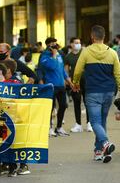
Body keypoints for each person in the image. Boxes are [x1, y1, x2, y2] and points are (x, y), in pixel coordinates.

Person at [73, 25, 120, 163]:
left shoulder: (86, 52)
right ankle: (98, 151)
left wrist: (75, 83)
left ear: (92, 37)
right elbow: (117, 74)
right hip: (108, 92)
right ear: (104, 37)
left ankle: (105, 143)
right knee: (102, 121)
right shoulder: (112, 53)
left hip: (93, 91)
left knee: (94, 122)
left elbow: (77, 71)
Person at [39, 37, 73, 137]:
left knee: (63, 105)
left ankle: (59, 127)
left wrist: (68, 81)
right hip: (50, 85)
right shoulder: (44, 56)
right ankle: (49, 128)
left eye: (55, 44)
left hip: (61, 85)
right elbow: (52, 67)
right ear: (48, 45)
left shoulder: (58, 55)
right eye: (52, 44)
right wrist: (53, 54)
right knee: (50, 107)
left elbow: (61, 69)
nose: (55, 46)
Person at [65, 38, 92, 133]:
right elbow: (66, 70)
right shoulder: (68, 56)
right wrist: (68, 82)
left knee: (88, 102)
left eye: (79, 43)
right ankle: (78, 124)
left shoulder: (85, 53)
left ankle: (89, 123)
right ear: (71, 44)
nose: (78, 44)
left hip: (86, 81)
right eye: (76, 43)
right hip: (75, 83)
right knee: (76, 102)